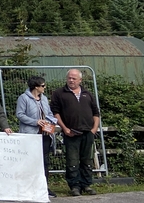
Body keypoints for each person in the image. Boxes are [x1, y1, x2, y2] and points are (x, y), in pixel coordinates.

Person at [50, 69, 101, 197]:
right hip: (71, 133)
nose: (71, 80)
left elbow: (96, 112)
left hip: (87, 133)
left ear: (80, 80)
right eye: (69, 78)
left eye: (74, 78)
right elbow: (55, 113)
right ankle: (74, 186)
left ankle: (86, 184)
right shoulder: (59, 94)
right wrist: (64, 128)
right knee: (72, 161)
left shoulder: (87, 94)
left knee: (87, 160)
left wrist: (94, 129)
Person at [16, 76, 58, 198]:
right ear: (36, 87)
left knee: (44, 161)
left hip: (45, 135)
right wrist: (35, 122)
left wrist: (52, 121)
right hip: (31, 135)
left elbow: (49, 113)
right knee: (30, 162)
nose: (45, 88)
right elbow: (20, 114)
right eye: (43, 85)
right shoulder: (23, 98)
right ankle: (29, 187)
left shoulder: (44, 98)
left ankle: (44, 187)